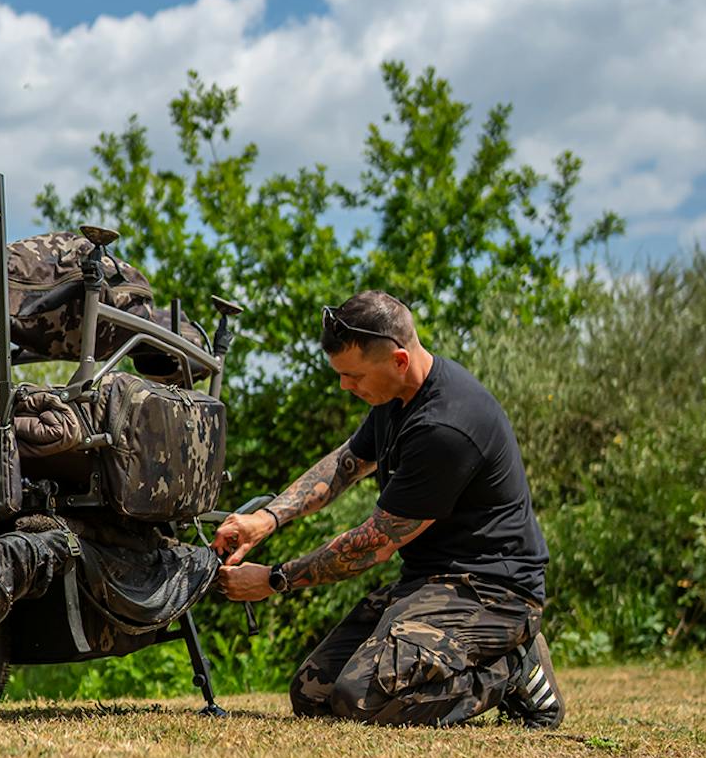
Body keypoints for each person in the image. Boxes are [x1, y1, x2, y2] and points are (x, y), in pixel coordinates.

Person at [214, 291, 563, 728]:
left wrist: (273, 579)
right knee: (312, 691)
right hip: (427, 583)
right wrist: (266, 519)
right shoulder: (394, 398)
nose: (345, 386)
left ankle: (510, 668)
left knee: (358, 700)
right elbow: (344, 466)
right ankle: (495, 662)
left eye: (353, 375)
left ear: (399, 360)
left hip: (491, 591)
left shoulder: (445, 427)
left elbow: (371, 546)